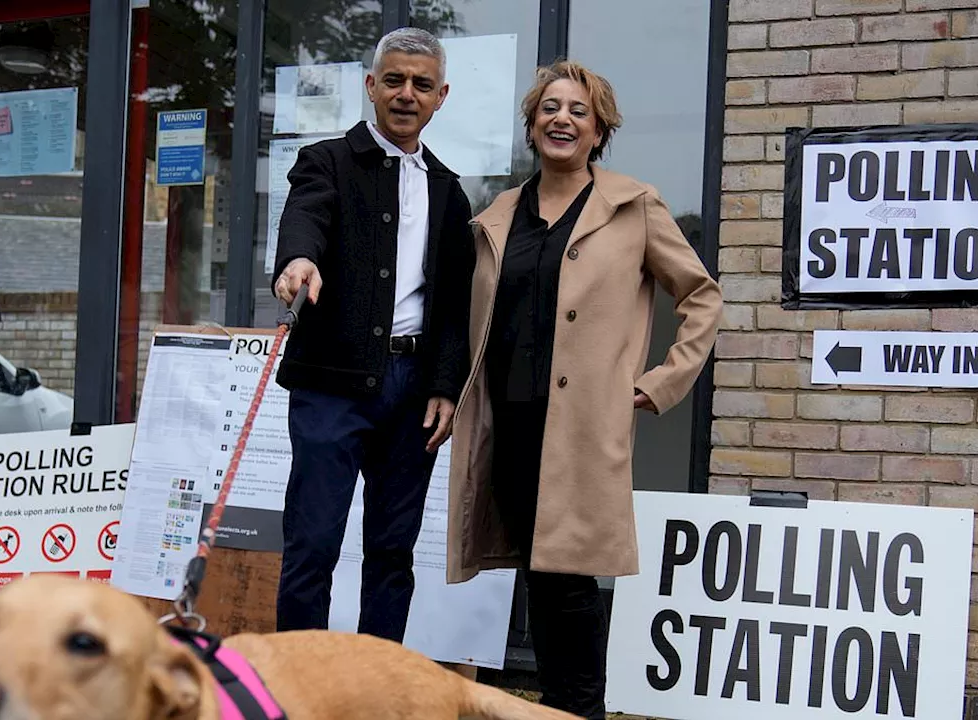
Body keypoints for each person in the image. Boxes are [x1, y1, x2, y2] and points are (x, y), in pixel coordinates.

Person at [445, 60, 724, 718]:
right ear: (531, 125)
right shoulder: (497, 218)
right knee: (538, 580)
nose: (561, 119)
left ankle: (579, 709)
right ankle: (559, 706)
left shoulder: (634, 206)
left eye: (578, 110)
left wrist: (662, 382)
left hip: (579, 430)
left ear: (599, 131)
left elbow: (702, 297)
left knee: (568, 584)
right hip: (509, 425)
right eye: (549, 108)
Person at [270, 28, 475, 643]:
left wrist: (444, 385)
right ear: (371, 87)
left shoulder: (450, 190)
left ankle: (376, 686)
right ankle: (299, 685)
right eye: (394, 80)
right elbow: (305, 213)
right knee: (313, 542)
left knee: (392, 553)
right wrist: (298, 261)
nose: (406, 94)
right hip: (332, 381)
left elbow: (454, 304)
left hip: (412, 393)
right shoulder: (325, 161)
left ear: (440, 96)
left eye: (420, 84)